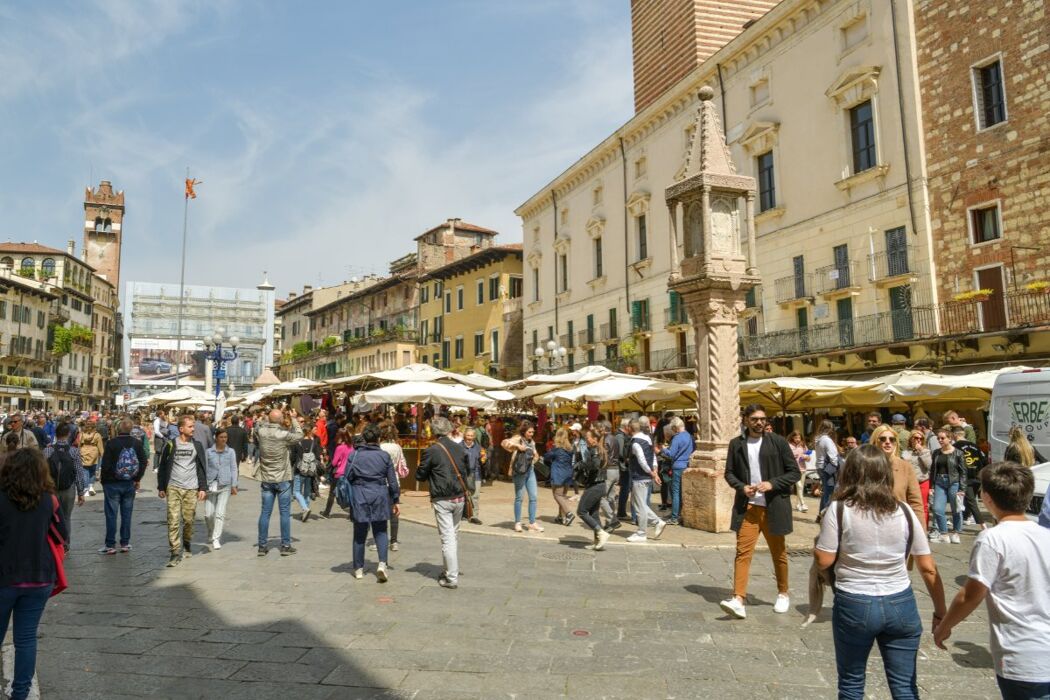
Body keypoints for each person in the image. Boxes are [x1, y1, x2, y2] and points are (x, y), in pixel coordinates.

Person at [815, 444, 947, 700]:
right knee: (905, 687)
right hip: (900, 601)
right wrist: (941, 612)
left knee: (851, 685)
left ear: (850, 472)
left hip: (855, 599)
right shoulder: (904, 511)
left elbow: (824, 559)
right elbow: (928, 568)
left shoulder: (840, 509)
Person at [934, 462, 1050, 698]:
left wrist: (944, 626)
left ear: (986, 497)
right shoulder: (1045, 535)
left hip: (1021, 656)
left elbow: (970, 595)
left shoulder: (993, 539)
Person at [720, 404, 800, 619]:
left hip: (773, 506)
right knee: (742, 552)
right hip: (748, 508)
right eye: (754, 419)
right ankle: (738, 599)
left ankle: (783, 593)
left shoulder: (778, 442)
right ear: (746, 420)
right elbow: (729, 473)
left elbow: (794, 473)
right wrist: (741, 487)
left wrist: (772, 483)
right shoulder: (736, 444)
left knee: (778, 553)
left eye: (763, 419)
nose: (759, 423)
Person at [0, 448, 68, 700]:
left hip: (4, 577)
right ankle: (20, 693)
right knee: (26, 639)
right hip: (39, 576)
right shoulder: (49, 500)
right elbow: (62, 535)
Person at [415, 416, 469, 589]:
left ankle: (451, 577)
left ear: (434, 432)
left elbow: (420, 475)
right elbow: (467, 470)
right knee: (453, 536)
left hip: (442, 498)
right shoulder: (460, 448)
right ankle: (448, 570)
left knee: (447, 538)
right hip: (459, 496)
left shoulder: (432, 450)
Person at [347, 423, 400, 582]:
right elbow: (392, 481)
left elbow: (347, 476)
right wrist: (395, 499)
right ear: (378, 438)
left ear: (364, 437)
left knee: (359, 533)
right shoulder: (384, 456)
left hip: (360, 494)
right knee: (381, 530)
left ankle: (358, 569)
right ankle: (382, 563)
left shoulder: (354, 455)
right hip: (380, 494)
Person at [157, 415, 207, 567]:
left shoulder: (197, 445)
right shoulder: (171, 444)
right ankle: (174, 551)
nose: (193, 429)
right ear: (181, 429)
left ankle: (187, 542)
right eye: (190, 426)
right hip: (173, 487)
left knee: (188, 521)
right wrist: (161, 486)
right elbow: (163, 466)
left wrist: (203, 487)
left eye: (193, 426)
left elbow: (201, 467)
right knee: (172, 520)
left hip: (191, 488)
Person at [254, 408, 303, 556]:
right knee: (284, 513)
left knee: (265, 512)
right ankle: (286, 545)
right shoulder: (283, 435)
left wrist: (267, 418)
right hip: (282, 478)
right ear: (281, 420)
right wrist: (293, 418)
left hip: (266, 478)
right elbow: (299, 435)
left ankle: (262, 546)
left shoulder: (261, 432)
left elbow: (257, 427)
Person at [97, 417, 149, 554]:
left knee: (111, 514)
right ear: (131, 429)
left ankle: (110, 545)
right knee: (127, 514)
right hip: (129, 483)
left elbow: (105, 464)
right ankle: (125, 543)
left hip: (112, 483)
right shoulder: (136, 443)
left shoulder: (111, 443)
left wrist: (104, 481)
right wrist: (137, 478)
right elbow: (144, 461)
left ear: (118, 429)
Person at [867, 425, 926, 526]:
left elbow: (916, 503)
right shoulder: (865, 466)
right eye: (883, 439)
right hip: (871, 524)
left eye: (892, 439)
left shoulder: (905, 467)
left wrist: (921, 530)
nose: (888, 442)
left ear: (896, 443)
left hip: (899, 525)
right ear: (875, 441)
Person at [42, 422, 85, 546]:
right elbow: (79, 472)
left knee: (51, 516)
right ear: (68, 434)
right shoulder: (74, 451)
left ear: (56, 434)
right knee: (66, 517)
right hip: (68, 489)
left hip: (51, 489)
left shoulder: (48, 450)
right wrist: (81, 492)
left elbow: (42, 471)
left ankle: (52, 544)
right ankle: (65, 544)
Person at [625, 418, 666, 544]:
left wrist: (651, 472)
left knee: (640, 506)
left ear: (630, 428)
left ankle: (642, 533)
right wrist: (654, 471)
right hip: (645, 476)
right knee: (638, 503)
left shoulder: (635, 443)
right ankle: (657, 522)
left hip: (640, 477)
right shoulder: (647, 438)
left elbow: (642, 460)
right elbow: (653, 456)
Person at [502, 420, 543, 533]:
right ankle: (517, 522)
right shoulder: (518, 438)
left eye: (532, 432)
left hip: (530, 471)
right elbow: (504, 443)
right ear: (524, 431)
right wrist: (517, 446)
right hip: (519, 472)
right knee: (519, 497)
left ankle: (532, 523)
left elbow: (535, 454)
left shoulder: (532, 441)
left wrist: (535, 457)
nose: (531, 434)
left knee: (533, 497)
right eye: (529, 432)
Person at [575, 427, 611, 551]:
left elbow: (595, 466)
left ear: (595, 439)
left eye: (588, 437)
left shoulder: (595, 450)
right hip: (598, 485)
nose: (586, 439)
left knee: (581, 511)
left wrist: (581, 464)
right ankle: (598, 542)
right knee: (594, 514)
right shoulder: (598, 449)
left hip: (595, 486)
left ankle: (601, 532)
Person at [204, 427, 238, 550]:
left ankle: (216, 538)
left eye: (225, 437)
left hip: (225, 485)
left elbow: (234, 468)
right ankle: (211, 531)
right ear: (216, 438)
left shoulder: (231, 452)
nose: (224, 439)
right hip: (210, 485)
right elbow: (205, 468)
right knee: (208, 514)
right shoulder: (208, 452)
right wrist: (202, 486)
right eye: (221, 437)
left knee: (220, 513)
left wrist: (234, 484)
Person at [930, 429, 966, 544]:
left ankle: (956, 533)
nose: (940, 440)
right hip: (939, 482)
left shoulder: (958, 453)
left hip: (954, 482)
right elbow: (933, 470)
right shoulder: (936, 452)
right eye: (938, 438)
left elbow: (963, 472)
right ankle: (944, 534)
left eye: (942, 438)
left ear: (949, 438)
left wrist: (962, 488)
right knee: (937, 509)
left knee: (956, 509)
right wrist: (931, 486)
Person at [952, 425, 988, 530]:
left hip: (965, 477)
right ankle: (965, 517)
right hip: (977, 476)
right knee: (969, 499)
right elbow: (984, 460)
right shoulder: (975, 446)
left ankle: (983, 524)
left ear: (955, 435)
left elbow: (953, 463)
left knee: (971, 501)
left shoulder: (955, 447)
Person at [378, 422, 407, 548]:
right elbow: (403, 466)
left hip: (380, 482)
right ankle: (394, 541)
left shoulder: (379, 447)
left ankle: (381, 539)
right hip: (395, 481)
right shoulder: (398, 447)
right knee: (394, 510)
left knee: (380, 512)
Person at [663, 417, 694, 524]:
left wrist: (664, 449)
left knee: (676, 492)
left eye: (673, 428)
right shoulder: (689, 436)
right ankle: (680, 514)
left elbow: (671, 454)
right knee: (682, 492)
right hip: (686, 465)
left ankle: (674, 517)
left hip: (677, 466)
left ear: (676, 427)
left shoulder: (677, 438)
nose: (673, 431)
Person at [291, 421, 323, 523]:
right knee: (307, 493)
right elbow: (318, 457)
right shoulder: (314, 443)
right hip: (310, 471)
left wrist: (291, 465)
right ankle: (305, 512)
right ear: (309, 432)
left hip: (299, 470)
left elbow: (292, 457)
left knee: (296, 491)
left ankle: (305, 509)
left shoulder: (297, 443)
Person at [544, 428, 576, 526]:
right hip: (568, 473)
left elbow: (546, 457)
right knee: (563, 496)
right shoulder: (570, 449)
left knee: (557, 495)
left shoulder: (556, 449)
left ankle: (569, 514)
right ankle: (561, 517)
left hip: (558, 474)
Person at [321, 428, 353, 520]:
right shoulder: (352, 447)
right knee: (350, 493)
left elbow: (334, 462)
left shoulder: (339, 448)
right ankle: (352, 514)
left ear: (340, 437)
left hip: (339, 473)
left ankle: (326, 512)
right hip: (349, 473)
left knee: (332, 493)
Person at [902, 430, 933, 526]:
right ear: (911, 439)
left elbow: (929, 465)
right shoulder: (905, 452)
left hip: (922, 481)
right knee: (908, 505)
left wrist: (921, 451)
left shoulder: (926, 451)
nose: (918, 440)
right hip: (909, 482)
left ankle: (923, 527)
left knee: (923, 506)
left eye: (921, 438)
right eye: (916, 438)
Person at [813, 420, 840, 513]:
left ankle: (821, 514)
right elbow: (833, 456)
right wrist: (836, 466)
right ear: (829, 429)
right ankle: (825, 514)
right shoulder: (826, 440)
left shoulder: (818, 439)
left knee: (826, 492)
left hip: (820, 467)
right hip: (827, 468)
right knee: (829, 492)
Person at [462, 427, 485, 525]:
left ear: (474, 437)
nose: (469, 437)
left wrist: (484, 458)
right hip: (463, 474)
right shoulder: (459, 446)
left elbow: (482, 460)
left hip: (476, 474)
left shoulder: (478, 447)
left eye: (471, 436)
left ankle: (474, 516)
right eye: (468, 435)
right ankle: (464, 514)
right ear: (464, 436)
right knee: (464, 495)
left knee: (475, 496)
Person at [78, 420, 104, 496]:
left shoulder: (81, 434)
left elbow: (79, 445)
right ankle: (91, 487)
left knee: (85, 471)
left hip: (84, 452)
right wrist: (103, 456)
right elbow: (100, 447)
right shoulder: (97, 435)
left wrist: (78, 454)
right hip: (94, 452)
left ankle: (85, 489)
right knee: (93, 471)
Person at [787, 430, 809, 513]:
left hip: (803, 468)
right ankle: (803, 504)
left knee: (801, 488)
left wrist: (806, 457)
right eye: (796, 437)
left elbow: (808, 457)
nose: (797, 439)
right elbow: (786, 457)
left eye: (799, 438)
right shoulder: (788, 445)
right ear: (792, 437)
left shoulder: (803, 445)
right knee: (799, 486)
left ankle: (798, 504)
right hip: (794, 469)